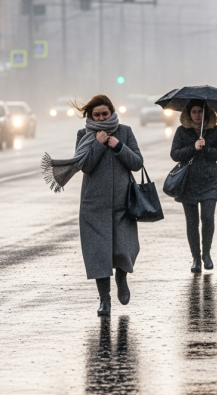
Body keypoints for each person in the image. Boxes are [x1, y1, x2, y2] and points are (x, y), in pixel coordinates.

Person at [54, 95, 143, 317]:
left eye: (105, 113)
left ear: (111, 112)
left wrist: (118, 145)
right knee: (99, 254)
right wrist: (99, 143)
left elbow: (137, 163)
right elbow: (85, 166)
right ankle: (104, 300)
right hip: (94, 205)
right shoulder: (84, 135)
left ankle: (122, 279)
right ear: (90, 116)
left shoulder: (125, 131)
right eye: (97, 115)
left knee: (124, 248)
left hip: (124, 203)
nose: (101, 118)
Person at [170, 100, 217, 273]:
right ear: (188, 114)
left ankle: (207, 254)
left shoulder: (214, 131)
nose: (197, 115)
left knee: (208, 218)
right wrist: (193, 147)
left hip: (210, 181)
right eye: (194, 112)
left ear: (206, 113)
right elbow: (174, 154)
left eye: (200, 112)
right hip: (188, 182)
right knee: (192, 222)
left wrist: (206, 148)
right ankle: (196, 258)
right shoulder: (182, 131)